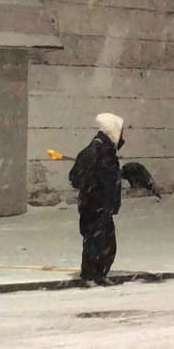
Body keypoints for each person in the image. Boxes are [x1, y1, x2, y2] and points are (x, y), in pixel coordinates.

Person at [69, 113, 125, 286]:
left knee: (106, 243)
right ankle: (89, 276)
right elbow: (75, 177)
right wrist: (95, 187)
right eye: (120, 130)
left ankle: (99, 275)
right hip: (94, 206)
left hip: (102, 206)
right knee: (95, 242)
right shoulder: (95, 150)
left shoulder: (107, 151)